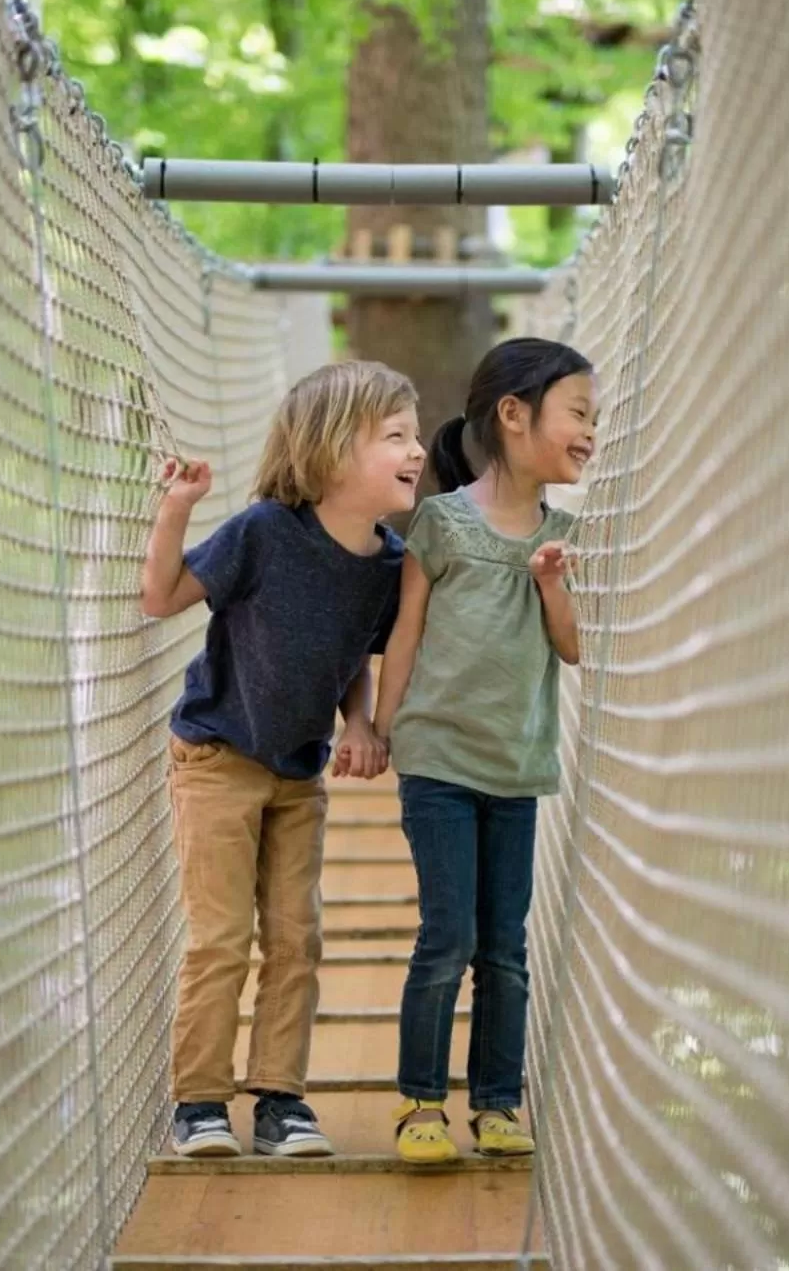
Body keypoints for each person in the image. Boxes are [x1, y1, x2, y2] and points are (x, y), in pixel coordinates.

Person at [141, 360, 425, 1157]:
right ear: (334, 453)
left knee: (297, 937)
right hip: (217, 756)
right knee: (223, 937)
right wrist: (177, 509)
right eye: (395, 436)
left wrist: (364, 727)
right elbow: (160, 598)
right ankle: (198, 1103)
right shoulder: (264, 532)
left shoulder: (388, 565)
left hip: (299, 774)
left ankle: (279, 1100)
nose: (417, 451)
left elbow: (353, 664)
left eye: (415, 434)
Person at [372, 338, 595, 1163]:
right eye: (578, 413)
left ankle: (498, 1104)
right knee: (449, 936)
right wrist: (380, 727)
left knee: (506, 946)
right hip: (437, 760)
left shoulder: (566, 535)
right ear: (513, 413)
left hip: (518, 765)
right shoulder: (441, 521)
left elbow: (571, 648)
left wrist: (549, 581)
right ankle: (421, 1102)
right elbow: (405, 632)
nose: (590, 433)